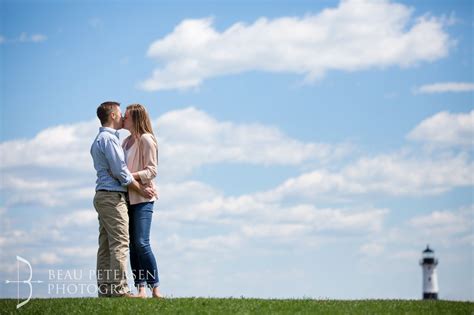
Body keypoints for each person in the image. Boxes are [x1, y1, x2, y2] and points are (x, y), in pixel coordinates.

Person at [90, 101, 154, 298]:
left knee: (106, 246)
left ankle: (105, 289)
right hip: (112, 196)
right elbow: (122, 174)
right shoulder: (110, 140)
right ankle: (120, 290)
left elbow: (121, 172)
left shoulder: (100, 139)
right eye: (120, 114)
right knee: (120, 243)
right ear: (113, 116)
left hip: (102, 195)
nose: (122, 118)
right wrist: (141, 190)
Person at [122, 103, 162, 298]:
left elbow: (152, 170)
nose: (123, 118)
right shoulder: (125, 142)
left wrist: (129, 175)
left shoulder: (146, 139)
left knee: (141, 242)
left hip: (143, 199)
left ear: (136, 119)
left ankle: (156, 287)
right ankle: (141, 289)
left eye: (126, 116)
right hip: (126, 198)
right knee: (132, 245)